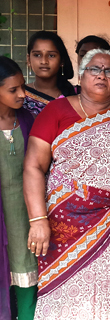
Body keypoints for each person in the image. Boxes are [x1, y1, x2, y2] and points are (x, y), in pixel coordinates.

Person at [23, 48, 110, 319]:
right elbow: (33, 166)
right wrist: (38, 219)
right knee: (65, 294)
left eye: (109, 71)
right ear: (81, 75)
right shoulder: (56, 110)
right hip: (64, 222)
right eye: (95, 69)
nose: (102, 75)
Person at [0, 57, 36, 320]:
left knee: (27, 276)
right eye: (13, 89)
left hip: (26, 217)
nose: (22, 94)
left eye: (22, 86)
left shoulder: (28, 119)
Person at [24, 31, 75, 115]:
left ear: (62, 61)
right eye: (37, 55)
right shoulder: (20, 96)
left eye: (51, 55)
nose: (44, 61)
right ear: (28, 59)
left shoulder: (76, 94)